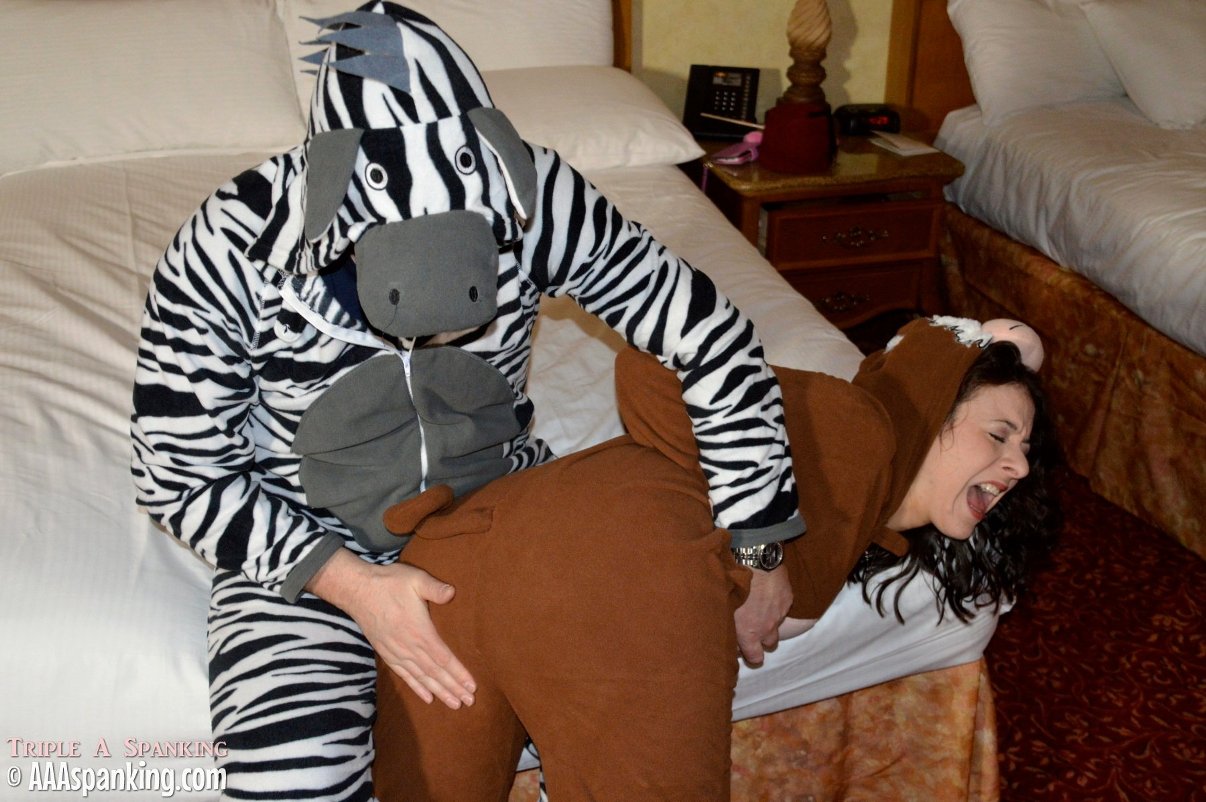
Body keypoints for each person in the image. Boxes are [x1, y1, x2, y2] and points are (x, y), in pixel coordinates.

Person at [129, 3, 801, 799]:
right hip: (304, 541)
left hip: (501, 509)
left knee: (635, 697)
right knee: (290, 774)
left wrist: (761, 539)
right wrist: (351, 585)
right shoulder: (232, 242)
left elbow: (705, 332)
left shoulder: (534, 195)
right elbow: (175, 473)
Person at [370, 315, 1061, 800]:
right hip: (616, 569)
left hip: (458, 555)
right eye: (998, 434)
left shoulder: (862, 511)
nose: (1019, 466)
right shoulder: (860, 425)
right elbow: (651, 369)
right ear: (935, 404)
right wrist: (762, 550)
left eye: (1025, 450)